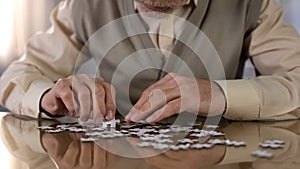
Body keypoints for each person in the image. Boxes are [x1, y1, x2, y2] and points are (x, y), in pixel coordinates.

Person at [0, 0, 300, 123]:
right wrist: (47, 98)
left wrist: (220, 95)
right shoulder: (85, 4)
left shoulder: (251, 4)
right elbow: (18, 75)